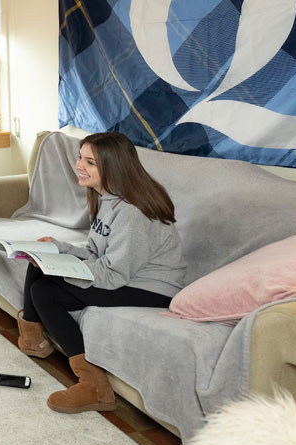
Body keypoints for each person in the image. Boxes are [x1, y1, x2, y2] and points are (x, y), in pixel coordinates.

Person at [15, 131, 185, 414]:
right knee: (42, 262)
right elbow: (97, 252)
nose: (79, 166)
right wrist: (60, 250)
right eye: (80, 158)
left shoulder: (132, 212)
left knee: (45, 291)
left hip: (152, 289)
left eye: (90, 162)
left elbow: (112, 275)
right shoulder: (107, 199)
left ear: (113, 167)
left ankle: (94, 385)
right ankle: (33, 339)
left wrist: (63, 270)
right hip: (125, 275)